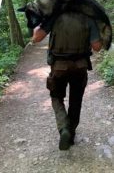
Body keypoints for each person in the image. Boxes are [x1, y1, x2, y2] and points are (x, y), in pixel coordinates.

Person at [32, 12, 102, 150]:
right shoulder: (88, 18)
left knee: (56, 97)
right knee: (76, 100)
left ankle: (64, 127)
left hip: (59, 67)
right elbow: (97, 47)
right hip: (80, 66)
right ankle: (71, 132)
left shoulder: (54, 16)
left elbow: (37, 38)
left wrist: (36, 28)